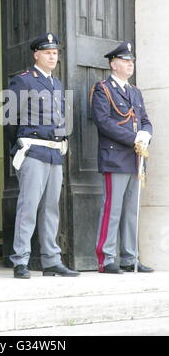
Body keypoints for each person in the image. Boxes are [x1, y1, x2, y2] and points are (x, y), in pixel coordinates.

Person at [7, 32, 79, 279]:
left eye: (55, 52)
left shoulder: (56, 84)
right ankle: (21, 260)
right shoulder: (23, 81)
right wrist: (18, 146)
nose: (52, 56)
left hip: (53, 152)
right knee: (28, 206)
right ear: (36, 55)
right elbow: (10, 120)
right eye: (47, 52)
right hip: (33, 150)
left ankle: (51, 260)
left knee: (51, 209)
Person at [91, 41, 153, 274]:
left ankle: (129, 257)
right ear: (113, 64)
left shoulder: (134, 91)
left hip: (136, 158)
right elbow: (104, 122)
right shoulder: (103, 89)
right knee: (113, 209)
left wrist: (146, 134)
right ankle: (106, 258)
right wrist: (133, 138)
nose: (130, 65)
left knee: (131, 210)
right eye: (126, 61)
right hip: (115, 157)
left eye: (131, 61)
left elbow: (145, 119)